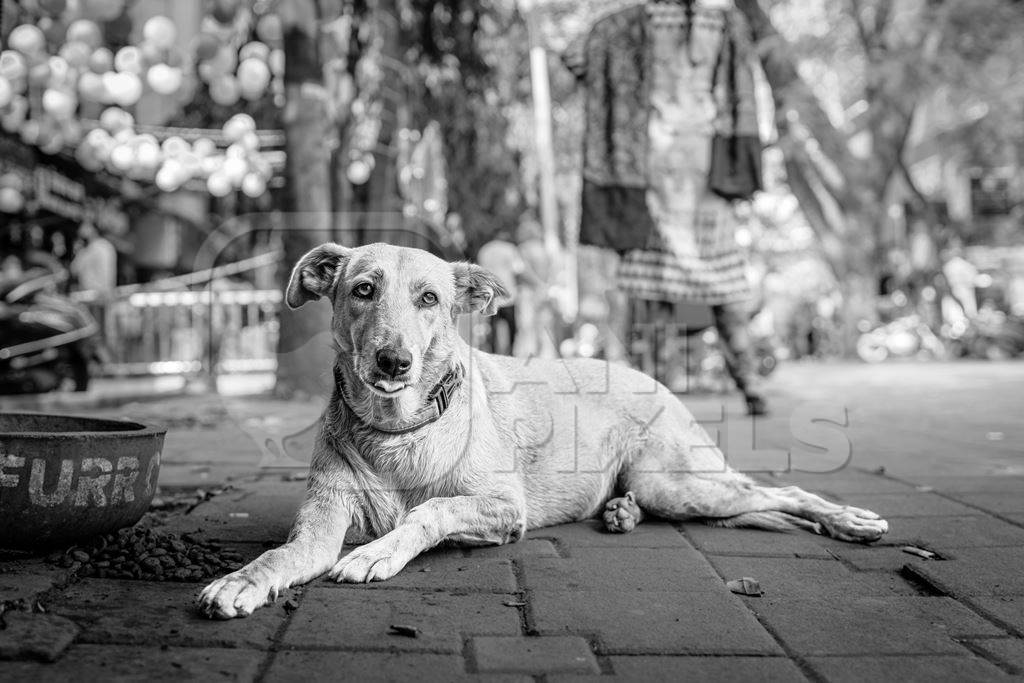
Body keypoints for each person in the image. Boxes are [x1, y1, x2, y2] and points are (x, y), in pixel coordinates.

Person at [565, 0, 768, 414]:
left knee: (650, 291)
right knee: (724, 284)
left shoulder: (621, 25)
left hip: (649, 174)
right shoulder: (725, 23)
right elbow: (745, 88)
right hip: (709, 178)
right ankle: (750, 384)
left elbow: (574, 57)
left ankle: (651, 393)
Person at [476, 233, 524, 355]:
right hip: (508, 293)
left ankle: (492, 353)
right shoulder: (510, 248)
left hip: (490, 294)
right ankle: (510, 352)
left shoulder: (485, 250)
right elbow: (518, 269)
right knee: (512, 327)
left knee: (492, 327)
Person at [70, 222, 117, 295]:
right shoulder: (107, 246)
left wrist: (78, 251)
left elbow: (74, 269)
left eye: (85, 226)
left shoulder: (92, 248)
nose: (80, 229)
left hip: (92, 295)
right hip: (104, 294)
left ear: (93, 228)